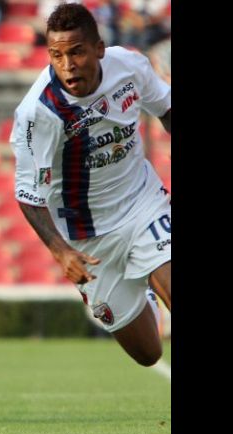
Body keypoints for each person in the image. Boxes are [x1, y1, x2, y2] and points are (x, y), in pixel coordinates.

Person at [10, 3, 171, 367]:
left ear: (98, 48)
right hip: (86, 237)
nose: (67, 65)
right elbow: (28, 194)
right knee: (149, 353)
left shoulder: (129, 66)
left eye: (77, 52)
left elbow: (166, 109)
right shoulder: (40, 112)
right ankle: (140, 292)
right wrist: (60, 252)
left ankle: (150, 263)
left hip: (142, 203)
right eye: (57, 55)